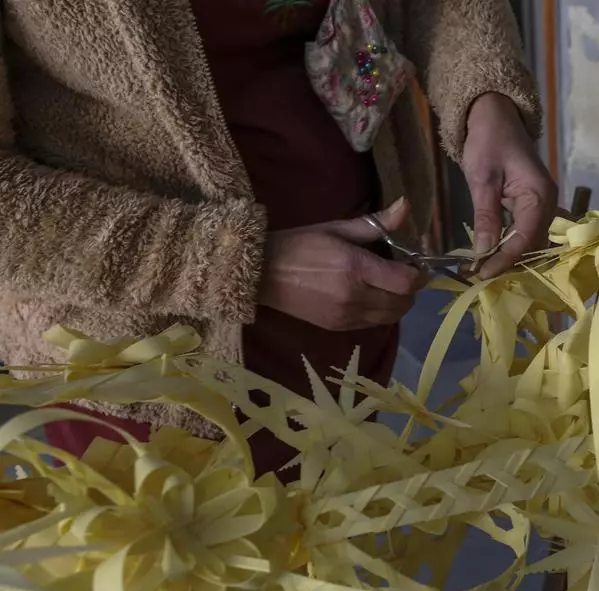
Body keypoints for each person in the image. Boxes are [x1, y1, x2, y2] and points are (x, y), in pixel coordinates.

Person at [0, 0, 557, 479]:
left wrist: (486, 98)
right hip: (151, 379)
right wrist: (241, 264)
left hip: (349, 334)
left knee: (341, 537)